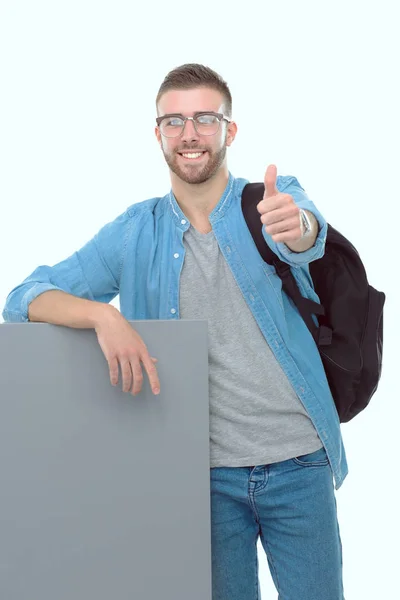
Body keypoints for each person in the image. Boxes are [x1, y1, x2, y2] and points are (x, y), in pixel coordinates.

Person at [2, 63, 347, 600]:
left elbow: (305, 231)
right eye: (174, 121)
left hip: (298, 461)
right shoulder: (134, 231)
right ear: (157, 133)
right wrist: (103, 315)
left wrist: (297, 228)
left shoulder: (271, 203)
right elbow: (23, 299)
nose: (189, 134)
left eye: (205, 119)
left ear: (229, 131)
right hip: (199, 478)